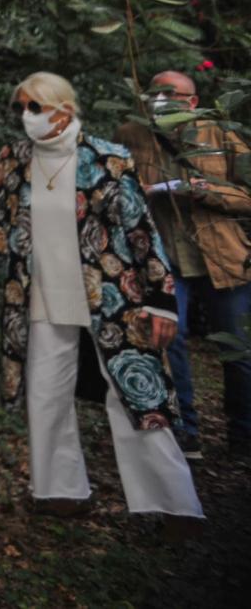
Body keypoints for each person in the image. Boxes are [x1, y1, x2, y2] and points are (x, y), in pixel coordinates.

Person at [0, 72, 201, 525]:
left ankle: (171, 505)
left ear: (64, 109)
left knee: (134, 394)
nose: (24, 117)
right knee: (45, 392)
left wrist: (161, 298)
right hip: (37, 296)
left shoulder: (108, 158)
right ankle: (60, 491)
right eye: (20, 108)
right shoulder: (12, 159)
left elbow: (140, 232)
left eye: (34, 107)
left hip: (111, 299)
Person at [114, 69, 251, 459]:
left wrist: (202, 191)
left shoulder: (220, 135)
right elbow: (111, 189)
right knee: (169, 347)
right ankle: (185, 431)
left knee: (238, 352)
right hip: (165, 262)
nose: (160, 100)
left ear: (191, 103)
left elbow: (247, 193)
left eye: (170, 94)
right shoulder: (130, 134)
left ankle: (243, 438)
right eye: (154, 93)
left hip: (225, 261)